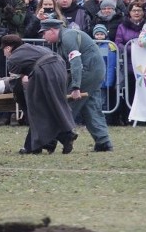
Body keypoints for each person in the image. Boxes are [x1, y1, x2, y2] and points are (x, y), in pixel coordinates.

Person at [39, 19, 113, 152]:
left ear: (52, 30)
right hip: (95, 71)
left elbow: (76, 62)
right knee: (91, 106)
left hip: (87, 71)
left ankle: (51, 140)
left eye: (44, 33)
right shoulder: (64, 39)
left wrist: (75, 87)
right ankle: (103, 142)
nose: (43, 37)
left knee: (64, 106)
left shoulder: (67, 37)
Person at [1, 34, 78, 155]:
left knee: (37, 109)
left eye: (3, 49)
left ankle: (61, 137)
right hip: (60, 67)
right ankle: (49, 142)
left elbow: (16, 85)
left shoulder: (13, 59)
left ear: (8, 48)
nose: (4, 53)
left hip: (45, 71)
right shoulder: (31, 47)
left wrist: (20, 99)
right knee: (50, 106)